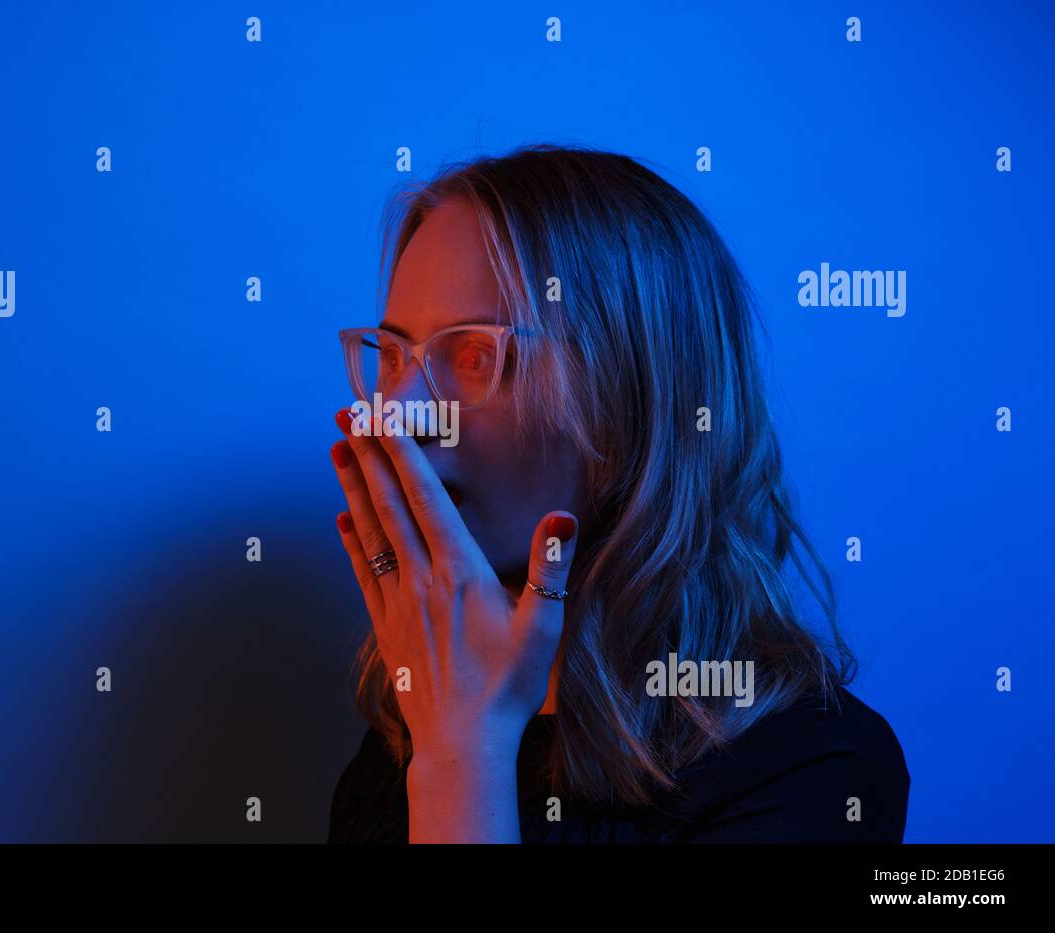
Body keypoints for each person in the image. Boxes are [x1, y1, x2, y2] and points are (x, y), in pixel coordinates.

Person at [326, 145, 909, 843]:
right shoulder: (399, 746)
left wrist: (462, 759)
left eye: (475, 354)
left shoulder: (811, 770)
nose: (397, 412)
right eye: (392, 357)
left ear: (636, 402)